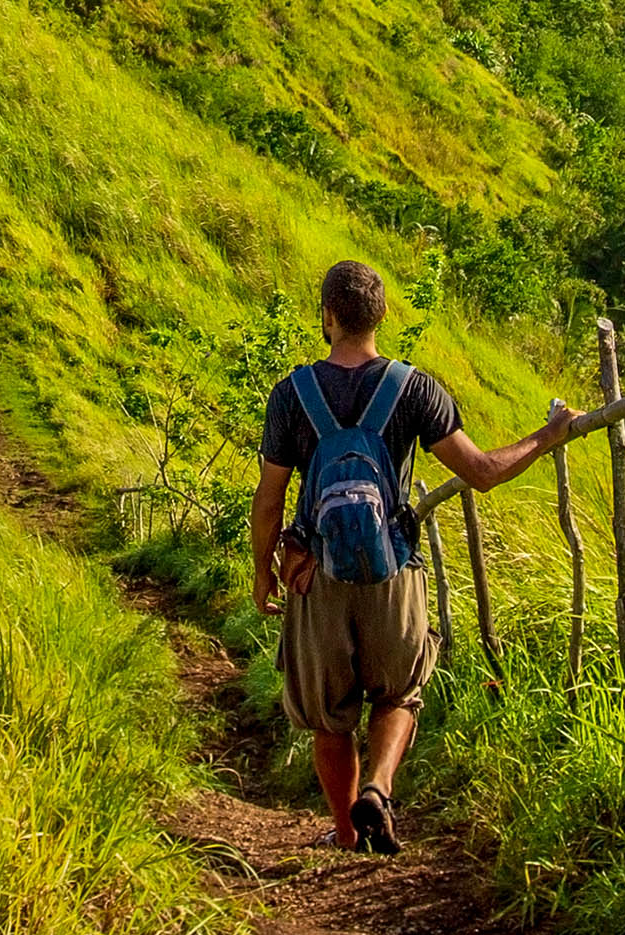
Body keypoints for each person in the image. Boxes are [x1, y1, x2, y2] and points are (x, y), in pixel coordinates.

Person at [249, 258, 586, 854]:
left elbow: (269, 500)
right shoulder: (415, 389)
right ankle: (378, 787)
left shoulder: (290, 396)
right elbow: (481, 472)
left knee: (329, 717)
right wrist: (548, 434)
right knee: (399, 692)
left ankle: (347, 833)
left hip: (316, 576)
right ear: (381, 316)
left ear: (327, 317)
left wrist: (262, 574)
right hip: (395, 568)